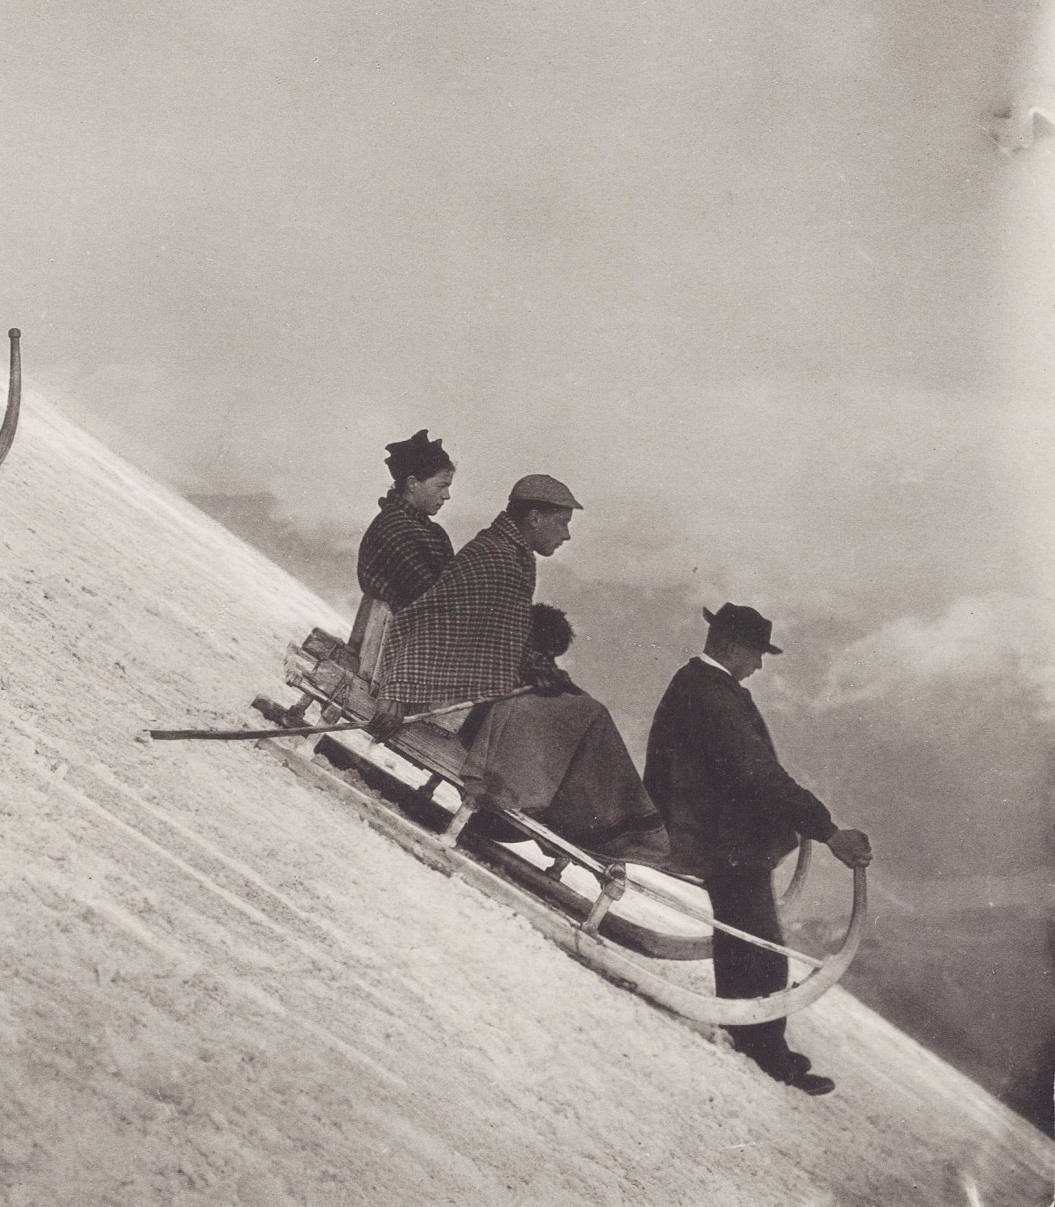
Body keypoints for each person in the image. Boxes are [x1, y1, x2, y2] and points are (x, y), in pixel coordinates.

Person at [375, 475, 669, 864]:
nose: (565, 536)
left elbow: (502, 634)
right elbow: (429, 619)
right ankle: (612, 831)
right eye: (562, 523)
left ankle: (615, 826)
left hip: (486, 688)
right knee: (589, 716)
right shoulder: (493, 557)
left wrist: (536, 667)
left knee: (581, 707)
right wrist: (395, 692)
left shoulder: (514, 556)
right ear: (534, 518)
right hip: (466, 698)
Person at [643, 604, 873, 1096]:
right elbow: (756, 774)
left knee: (745, 920)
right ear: (730, 646)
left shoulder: (704, 686)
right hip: (702, 831)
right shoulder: (713, 695)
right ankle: (765, 1046)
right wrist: (828, 831)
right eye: (756, 653)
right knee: (762, 935)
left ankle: (749, 1028)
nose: (760, 665)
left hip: (704, 824)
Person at [356, 429, 456, 610]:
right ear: (412, 484)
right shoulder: (396, 531)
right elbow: (436, 603)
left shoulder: (418, 527)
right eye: (441, 486)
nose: (446, 496)